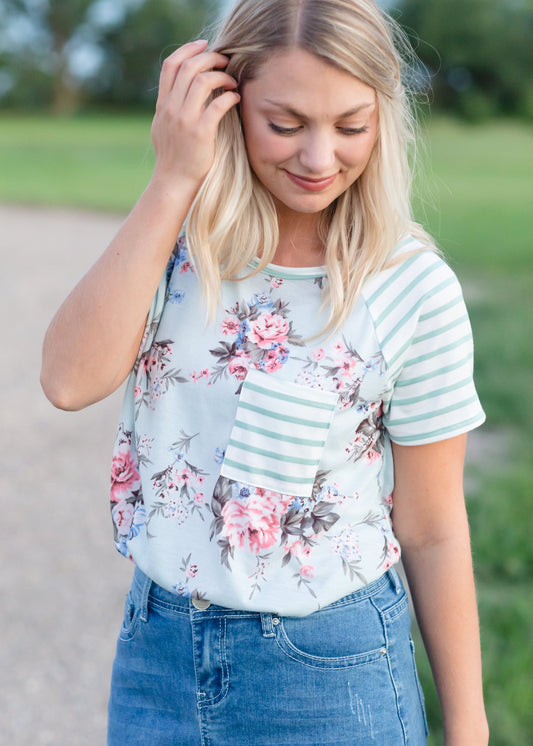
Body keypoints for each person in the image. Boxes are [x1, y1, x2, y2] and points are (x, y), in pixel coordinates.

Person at [41, 0, 489, 743]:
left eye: (350, 126)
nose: (318, 159)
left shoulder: (410, 286)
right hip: (158, 658)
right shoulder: (175, 251)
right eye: (285, 124)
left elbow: (433, 527)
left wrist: (468, 726)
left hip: (331, 668)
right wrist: (173, 177)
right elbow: (66, 380)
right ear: (226, 105)